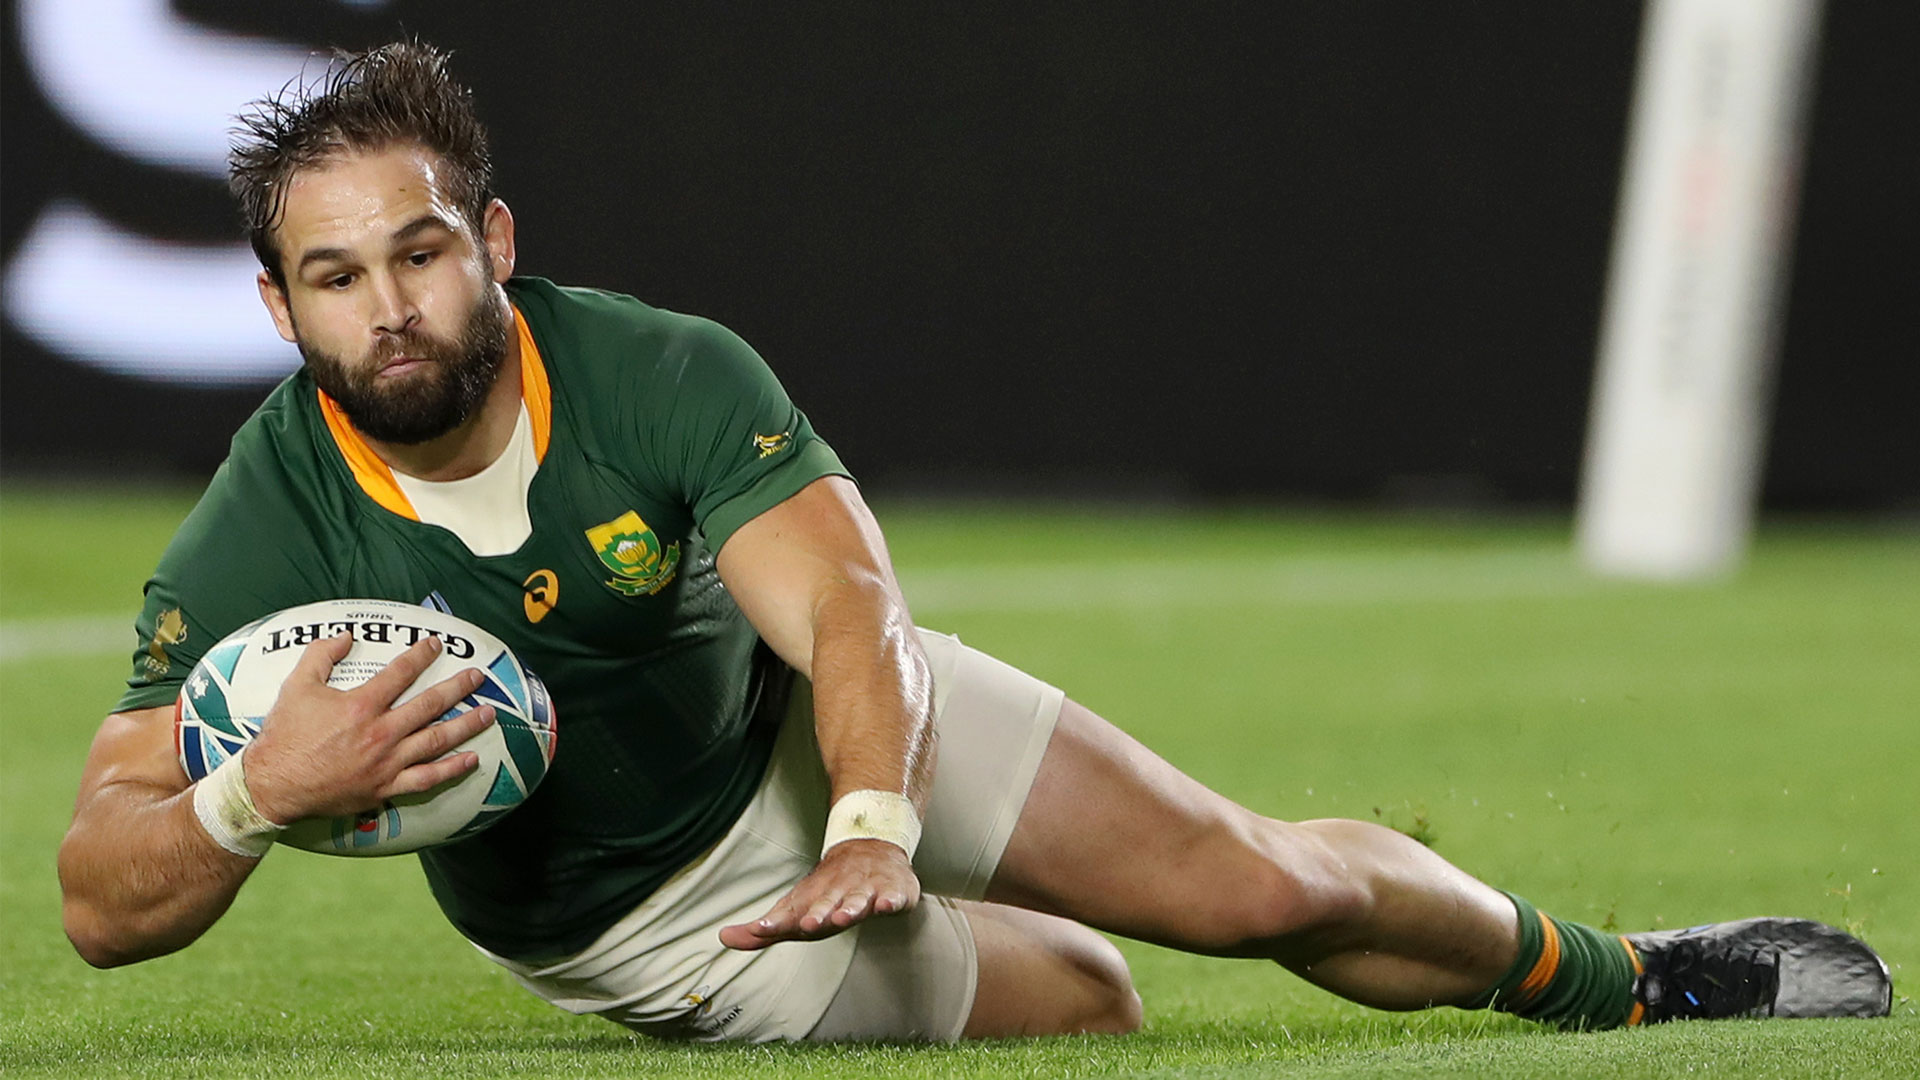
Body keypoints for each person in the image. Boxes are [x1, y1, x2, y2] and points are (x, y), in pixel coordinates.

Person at [57, 41, 1891, 1043]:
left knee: (1257, 886)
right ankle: (976, 930)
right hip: (664, 923)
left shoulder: (658, 373)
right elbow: (95, 893)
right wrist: (254, 799)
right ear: (282, 307)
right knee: (1095, 1001)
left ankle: (1629, 976)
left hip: (805, 738)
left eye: (421, 248)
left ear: (497, 241)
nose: (389, 305)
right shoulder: (267, 515)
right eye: (335, 275)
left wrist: (870, 817)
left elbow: (849, 612)